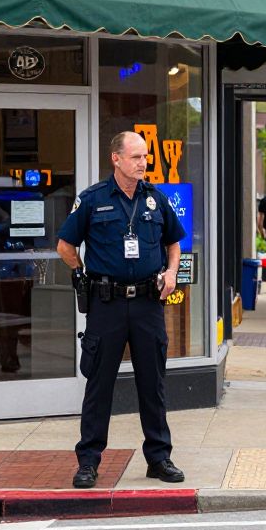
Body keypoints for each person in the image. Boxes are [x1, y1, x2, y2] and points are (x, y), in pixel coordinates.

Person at [56, 131, 186, 489]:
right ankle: (89, 461)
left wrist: (172, 272)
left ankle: (159, 457)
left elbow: (173, 242)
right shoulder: (93, 200)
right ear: (116, 159)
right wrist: (83, 274)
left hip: (147, 303)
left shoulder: (155, 199)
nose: (143, 163)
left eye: (145, 157)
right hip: (107, 304)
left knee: (153, 382)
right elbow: (66, 246)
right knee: (100, 385)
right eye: (136, 157)